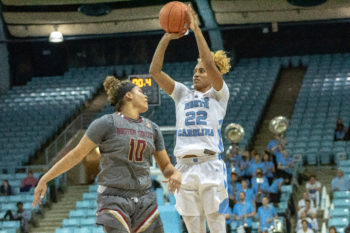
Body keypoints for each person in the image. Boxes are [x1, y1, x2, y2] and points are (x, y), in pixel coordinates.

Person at [33, 76, 182, 233]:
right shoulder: (106, 123)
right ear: (128, 95)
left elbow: (165, 166)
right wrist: (46, 178)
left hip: (145, 199)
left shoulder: (152, 128)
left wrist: (175, 173)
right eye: (140, 91)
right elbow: (77, 154)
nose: (146, 96)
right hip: (114, 198)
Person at [149, 5, 231, 233]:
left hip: (210, 165)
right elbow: (155, 71)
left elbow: (207, 58)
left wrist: (196, 30)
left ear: (214, 73)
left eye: (202, 71)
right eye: (195, 70)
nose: (196, 73)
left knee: (216, 225)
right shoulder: (182, 93)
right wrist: (166, 37)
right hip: (183, 167)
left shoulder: (219, 94)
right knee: (193, 228)